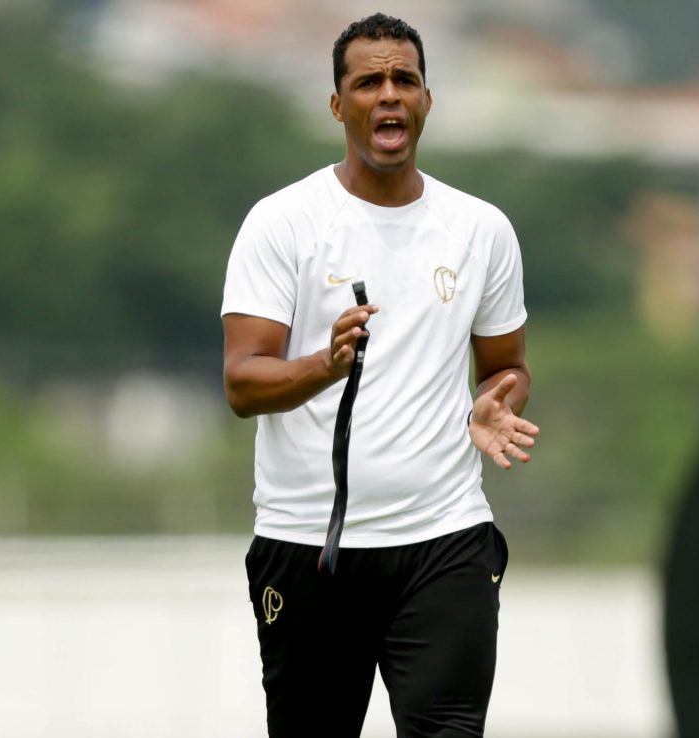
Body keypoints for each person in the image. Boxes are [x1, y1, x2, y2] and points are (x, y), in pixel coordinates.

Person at [220, 13, 538, 737]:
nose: (388, 95)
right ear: (339, 105)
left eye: (405, 80)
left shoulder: (481, 229)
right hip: (310, 548)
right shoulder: (283, 222)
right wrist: (324, 366)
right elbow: (243, 383)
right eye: (369, 82)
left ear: (427, 100)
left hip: (446, 538)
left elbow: (507, 367)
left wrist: (494, 402)